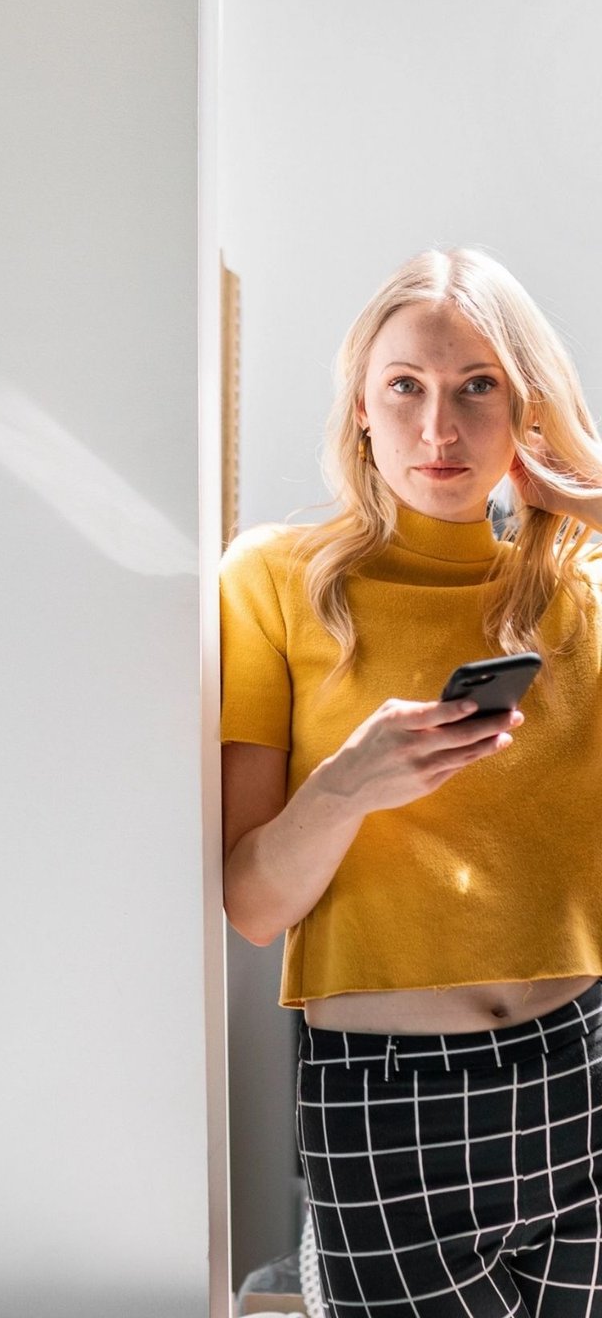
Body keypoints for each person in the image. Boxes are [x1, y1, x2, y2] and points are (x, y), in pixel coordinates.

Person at [221, 247, 602, 1316]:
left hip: (586, 1059)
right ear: (359, 406)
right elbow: (251, 903)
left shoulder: (580, 583)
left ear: (524, 405)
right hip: (388, 1101)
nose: (438, 430)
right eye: (406, 387)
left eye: (477, 386)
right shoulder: (273, 580)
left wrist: (586, 500)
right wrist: (346, 786)